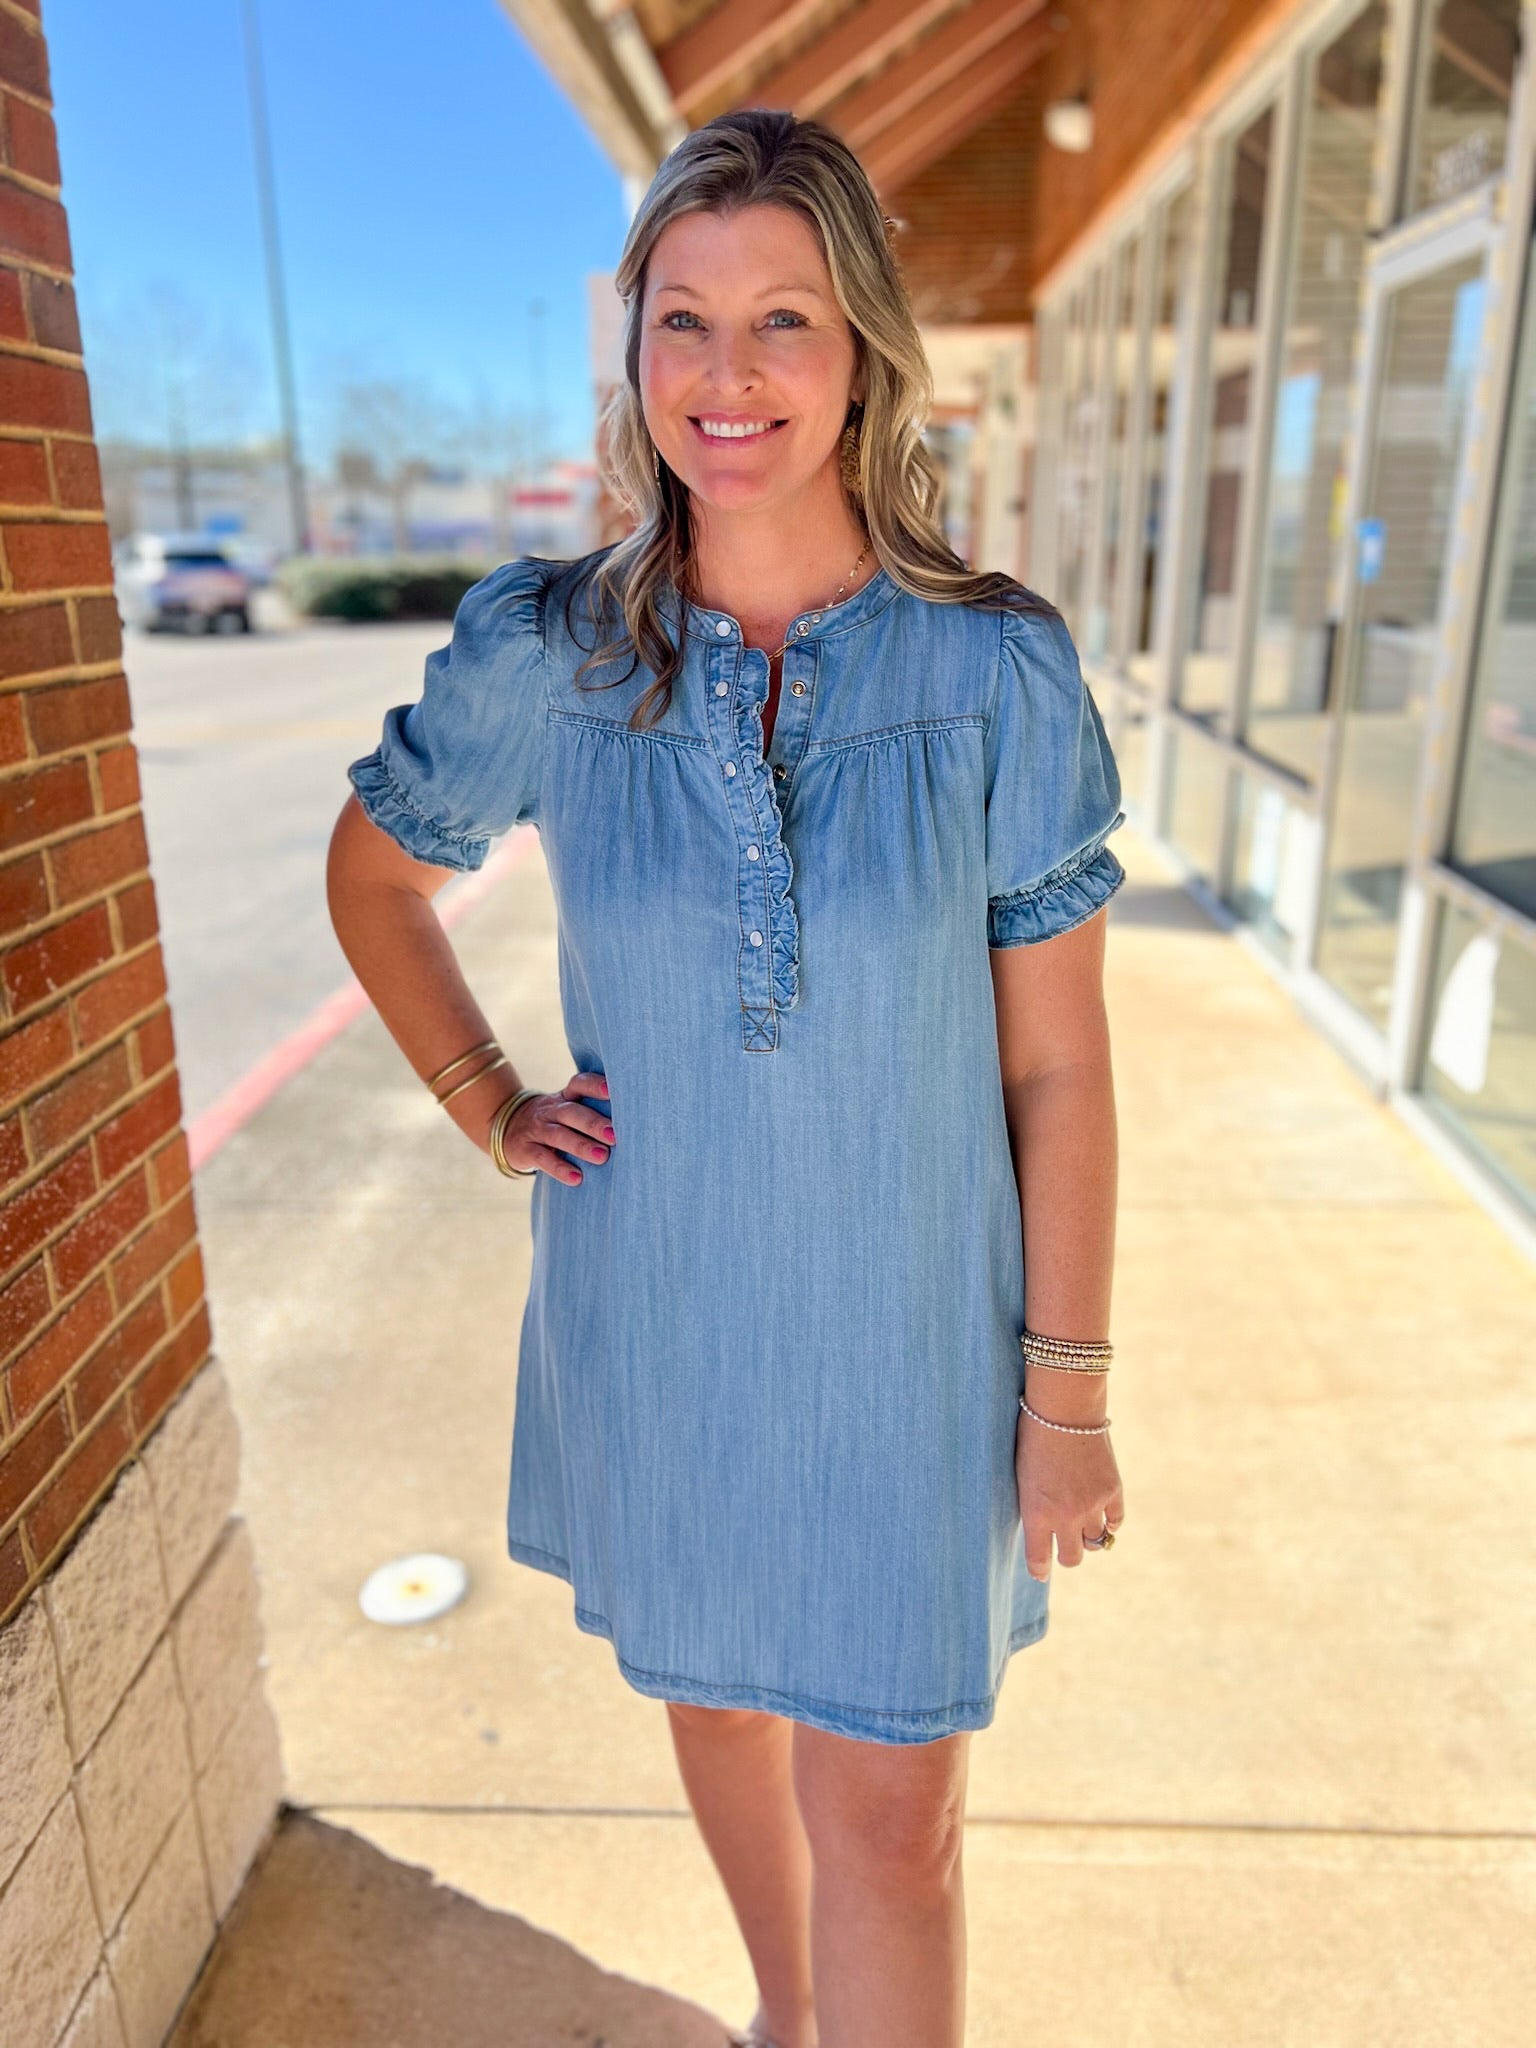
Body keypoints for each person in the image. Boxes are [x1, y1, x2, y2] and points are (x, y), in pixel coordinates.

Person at [328, 107, 1127, 2048]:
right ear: (635, 355)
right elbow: (375, 879)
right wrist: (486, 1097)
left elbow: (1060, 1070)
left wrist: (1071, 1390)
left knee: (896, 1811)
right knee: (721, 1705)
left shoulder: (994, 674)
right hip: (665, 1315)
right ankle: (788, 2008)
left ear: (860, 350)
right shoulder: (554, 654)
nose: (728, 377)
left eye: (781, 319)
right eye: (682, 323)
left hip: (912, 1343)